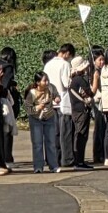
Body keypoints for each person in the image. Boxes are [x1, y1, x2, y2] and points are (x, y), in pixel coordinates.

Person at [44, 43, 75, 171]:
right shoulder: (65, 64)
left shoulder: (48, 64)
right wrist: (73, 75)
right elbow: (66, 83)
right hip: (63, 101)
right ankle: (67, 159)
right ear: (67, 53)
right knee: (65, 132)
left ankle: (53, 158)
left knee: (53, 133)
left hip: (50, 101)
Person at [68, 56, 96, 169]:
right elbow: (91, 93)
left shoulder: (73, 80)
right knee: (81, 136)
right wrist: (96, 79)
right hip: (81, 110)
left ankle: (79, 160)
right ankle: (79, 161)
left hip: (75, 110)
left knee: (78, 134)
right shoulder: (80, 79)